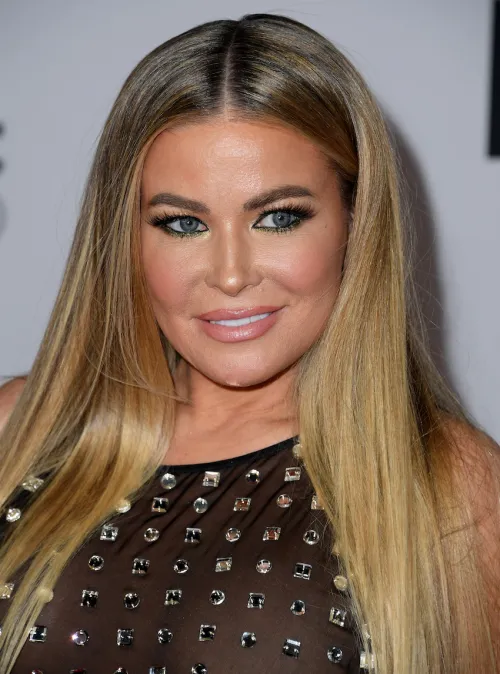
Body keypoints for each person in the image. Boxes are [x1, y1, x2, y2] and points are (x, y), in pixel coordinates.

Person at [0, 12, 499, 674]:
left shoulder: (451, 484)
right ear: (125, 239)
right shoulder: (20, 430)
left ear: (355, 221)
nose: (231, 274)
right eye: (183, 224)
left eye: (279, 217)